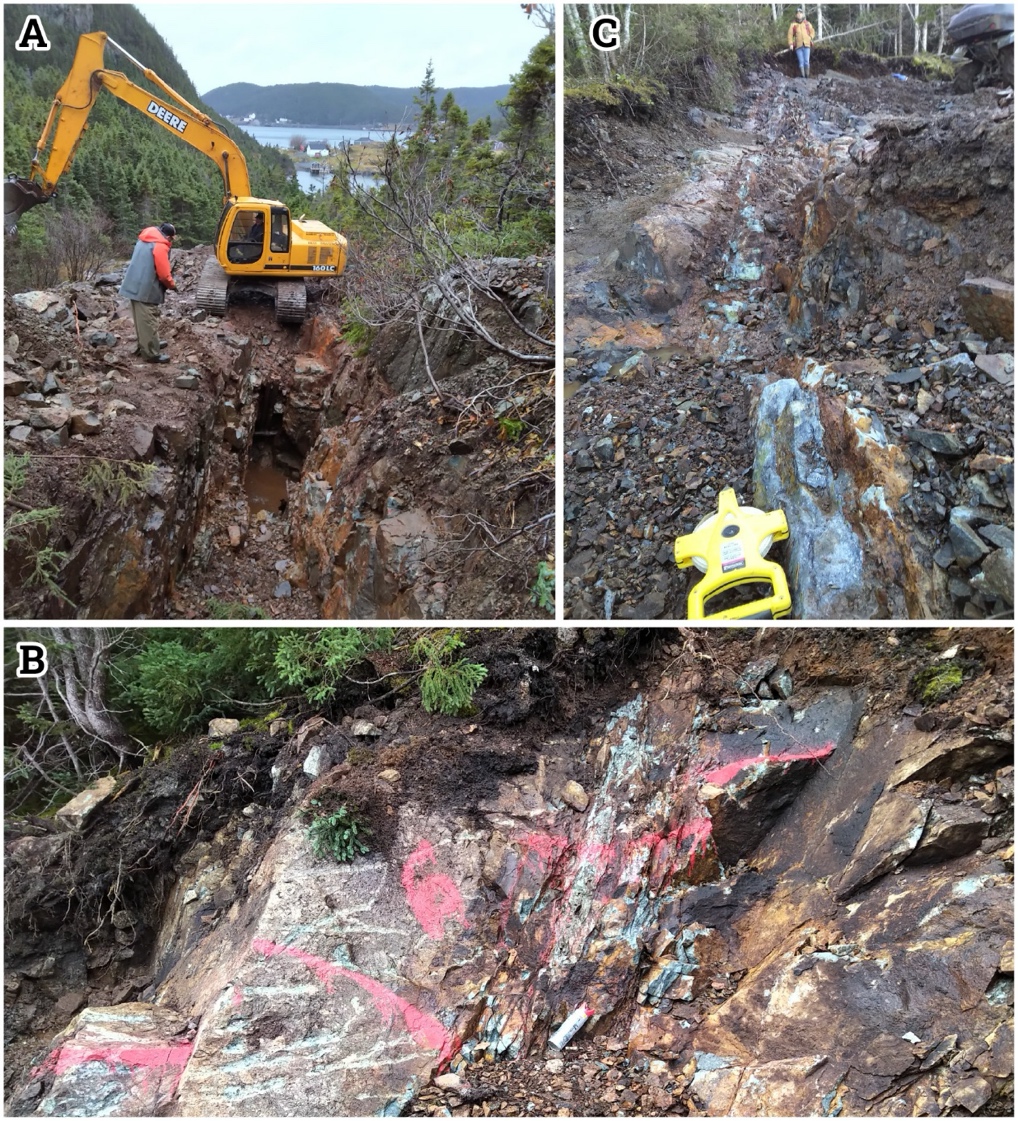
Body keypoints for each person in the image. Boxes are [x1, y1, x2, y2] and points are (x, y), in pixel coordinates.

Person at [119, 221, 176, 363]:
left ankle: (146, 343)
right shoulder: (160, 246)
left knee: (140, 320)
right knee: (148, 320)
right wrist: (172, 285)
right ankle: (151, 353)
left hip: (134, 284)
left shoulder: (145, 239)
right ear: (169, 237)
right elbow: (163, 274)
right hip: (145, 289)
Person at [788, 8, 816, 79]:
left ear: (802, 14)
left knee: (806, 61)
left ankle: (807, 76)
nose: (799, 14)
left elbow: (812, 31)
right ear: (796, 15)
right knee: (801, 62)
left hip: (807, 45)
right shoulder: (793, 25)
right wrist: (791, 44)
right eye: (797, 13)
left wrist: (810, 37)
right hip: (798, 46)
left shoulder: (807, 23)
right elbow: (790, 35)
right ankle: (803, 77)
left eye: (800, 13)